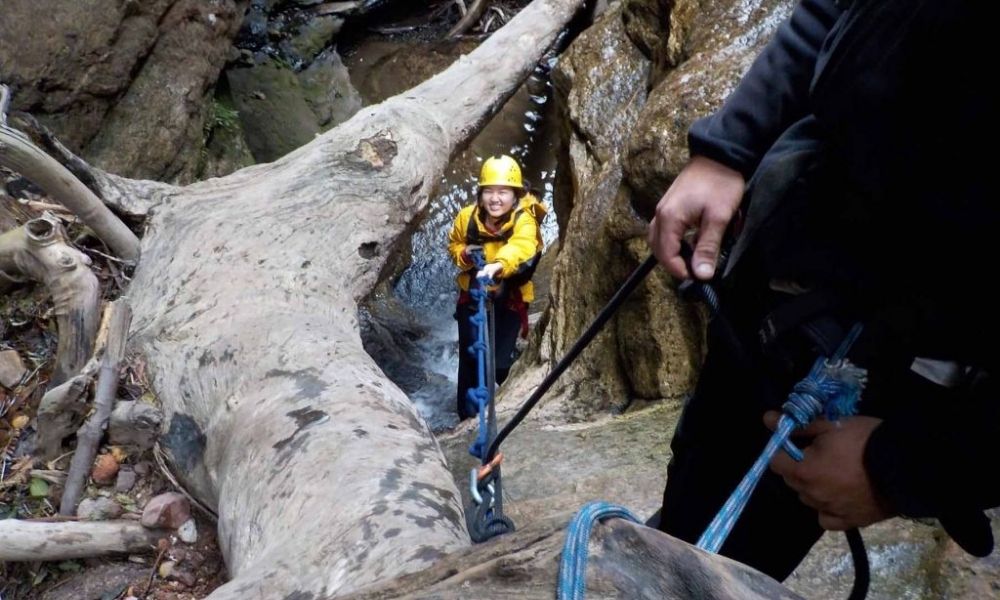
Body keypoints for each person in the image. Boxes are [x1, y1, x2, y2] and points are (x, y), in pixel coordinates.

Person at [647, 0, 998, 581]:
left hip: (908, 358)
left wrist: (903, 467)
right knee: (695, 507)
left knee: (737, 555)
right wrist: (728, 148)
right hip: (784, 288)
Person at [448, 155, 547, 421]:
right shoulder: (467, 218)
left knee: (499, 363)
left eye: (503, 192)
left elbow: (522, 246)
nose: (495, 199)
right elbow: (454, 244)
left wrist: (498, 265)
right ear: (480, 194)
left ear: (515, 195)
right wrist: (465, 254)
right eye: (489, 191)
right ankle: (468, 418)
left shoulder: (524, 220)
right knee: (471, 360)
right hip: (474, 297)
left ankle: (513, 399)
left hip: (510, 298)